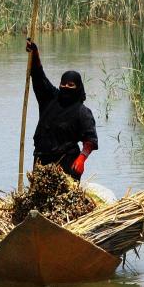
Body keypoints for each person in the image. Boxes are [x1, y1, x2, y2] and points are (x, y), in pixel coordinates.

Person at [25, 38, 98, 180]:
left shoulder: (82, 112)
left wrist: (82, 158)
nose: (66, 87)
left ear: (77, 88)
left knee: (64, 198)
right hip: (41, 159)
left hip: (66, 162)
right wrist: (34, 54)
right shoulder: (50, 99)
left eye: (70, 85)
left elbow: (90, 140)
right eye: (63, 84)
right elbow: (39, 77)